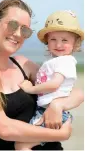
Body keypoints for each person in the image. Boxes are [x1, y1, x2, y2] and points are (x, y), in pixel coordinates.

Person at [0, 0, 83, 150]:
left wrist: (57, 105)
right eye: (13, 25)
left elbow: (76, 93)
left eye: (25, 30)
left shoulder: (23, 65)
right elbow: (5, 129)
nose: (18, 34)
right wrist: (61, 134)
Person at [17, 10, 84, 150]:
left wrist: (30, 89)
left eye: (64, 40)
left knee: (22, 145)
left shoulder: (65, 62)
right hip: (46, 111)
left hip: (51, 113)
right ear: (47, 41)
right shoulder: (55, 61)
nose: (58, 44)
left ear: (75, 43)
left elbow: (54, 85)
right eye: (53, 39)